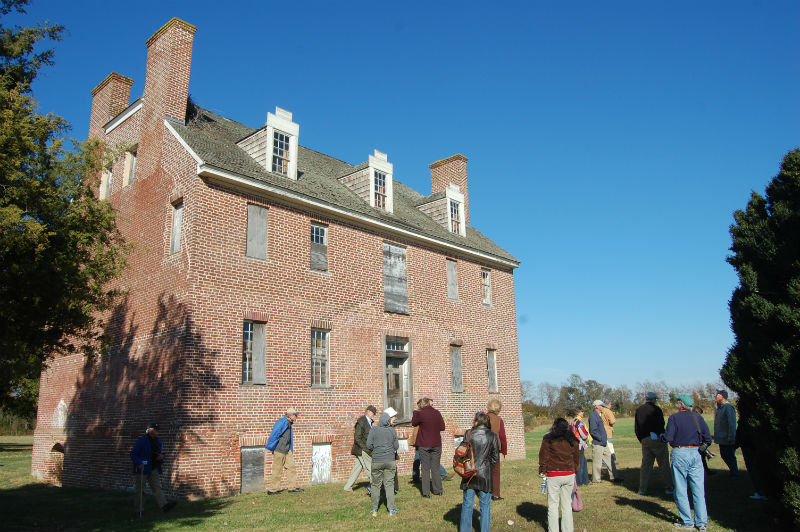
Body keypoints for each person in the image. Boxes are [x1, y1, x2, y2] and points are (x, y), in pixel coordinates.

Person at [662, 394, 711, 531]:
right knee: (698, 489)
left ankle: (687, 522)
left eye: (678, 401)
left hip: (680, 452)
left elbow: (669, 437)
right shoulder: (697, 417)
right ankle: (701, 523)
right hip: (695, 453)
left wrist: (661, 436)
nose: (677, 403)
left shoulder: (674, 418)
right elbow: (708, 438)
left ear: (681, 404)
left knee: (681, 488)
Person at [459, 412, 499, 532]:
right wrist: (487, 468)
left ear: (476, 421)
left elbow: (462, 453)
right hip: (484, 474)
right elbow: (495, 458)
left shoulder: (469, 433)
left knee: (467, 504)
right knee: (485, 506)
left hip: (469, 473)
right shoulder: (492, 436)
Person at [538, 417, 580, 532]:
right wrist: (575, 469)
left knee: (553, 505)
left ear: (554, 426)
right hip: (569, 474)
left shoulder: (548, 438)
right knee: (567, 504)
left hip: (554, 474)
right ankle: (568, 529)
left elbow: (543, 456)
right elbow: (576, 457)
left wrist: (542, 469)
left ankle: (553, 530)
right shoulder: (573, 439)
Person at [130, 423, 176, 514]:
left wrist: (161, 456)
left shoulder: (158, 441)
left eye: (157, 430)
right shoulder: (141, 441)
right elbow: (133, 454)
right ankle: (139, 510)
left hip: (153, 467)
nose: (156, 431)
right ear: (149, 430)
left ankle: (164, 506)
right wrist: (139, 463)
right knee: (140, 491)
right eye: (155, 429)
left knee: (157, 488)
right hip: (142, 469)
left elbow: (156, 453)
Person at [634, 392, 674, 495]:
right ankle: (669, 487)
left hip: (644, 439)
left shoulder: (639, 410)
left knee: (646, 465)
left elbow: (637, 427)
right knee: (664, 464)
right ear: (653, 400)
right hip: (656, 438)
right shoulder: (656, 409)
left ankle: (642, 489)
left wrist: (641, 439)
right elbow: (661, 424)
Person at [367, 407, 400, 516]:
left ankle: (374, 509)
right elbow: (396, 446)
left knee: (375, 485)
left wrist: (376, 450)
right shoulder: (392, 431)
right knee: (389, 484)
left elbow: (369, 445)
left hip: (377, 460)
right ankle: (391, 509)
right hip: (390, 460)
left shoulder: (373, 430)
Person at [411, 397, 446, 497]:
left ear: (422, 405)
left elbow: (413, 423)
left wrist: (416, 412)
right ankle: (438, 490)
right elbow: (442, 427)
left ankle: (426, 493)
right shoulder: (437, 413)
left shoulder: (420, 414)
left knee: (425, 469)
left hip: (424, 443)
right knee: (435, 467)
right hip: (436, 443)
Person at [265, 408, 303, 494]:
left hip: (287, 449)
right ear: (290, 416)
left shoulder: (289, 423)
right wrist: (272, 447)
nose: (296, 417)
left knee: (291, 468)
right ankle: (272, 490)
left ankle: (292, 488)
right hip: (279, 450)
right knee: (277, 470)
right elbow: (274, 435)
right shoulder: (282, 422)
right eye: (295, 415)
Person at [344, 405, 377, 493]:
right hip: (362, 449)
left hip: (364, 449)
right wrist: (365, 448)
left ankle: (347, 487)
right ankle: (375, 487)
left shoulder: (369, 421)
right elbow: (357, 437)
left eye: (374, 413)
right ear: (368, 412)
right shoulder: (362, 421)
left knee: (356, 469)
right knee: (369, 468)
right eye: (373, 413)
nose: (373, 415)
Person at [588, 399, 616, 483]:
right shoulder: (593, 416)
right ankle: (596, 480)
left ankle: (614, 477)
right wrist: (600, 438)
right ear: (596, 407)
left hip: (603, 442)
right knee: (597, 463)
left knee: (610, 459)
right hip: (598, 443)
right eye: (601, 405)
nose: (603, 407)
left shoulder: (598, 415)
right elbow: (593, 431)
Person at [713, 389, 739, 477]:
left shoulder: (728, 407)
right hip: (721, 438)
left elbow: (732, 423)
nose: (716, 396)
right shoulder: (719, 408)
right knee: (724, 455)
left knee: (730, 456)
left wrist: (731, 437)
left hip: (727, 438)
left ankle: (735, 473)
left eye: (718, 395)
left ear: (723, 397)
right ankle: (733, 471)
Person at [487, 398, 508, 500]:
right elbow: (502, 436)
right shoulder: (499, 420)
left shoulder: (484, 418)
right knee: (495, 471)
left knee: (484, 470)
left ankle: (485, 491)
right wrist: (504, 450)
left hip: (483, 447)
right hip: (495, 447)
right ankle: (495, 494)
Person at [567, 407, 590, 486]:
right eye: (582, 411)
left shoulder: (571, 421)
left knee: (583, 462)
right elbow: (584, 435)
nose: (583, 413)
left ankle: (585, 480)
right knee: (580, 463)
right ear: (578, 413)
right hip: (579, 444)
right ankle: (580, 481)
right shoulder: (579, 422)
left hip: (573, 444)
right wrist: (587, 437)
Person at [601, 400, 623, 482]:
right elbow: (613, 421)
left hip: (602, 432)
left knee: (604, 448)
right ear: (608, 404)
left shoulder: (600, 411)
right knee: (610, 450)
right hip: (607, 432)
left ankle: (604, 462)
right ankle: (610, 464)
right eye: (610, 404)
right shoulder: (608, 411)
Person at [692, 405, 713, 475]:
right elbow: (705, 433)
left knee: (702, 459)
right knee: (701, 459)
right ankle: (705, 471)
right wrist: (706, 443)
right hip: (697, 443)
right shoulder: (698, 419)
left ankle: (706, 470)